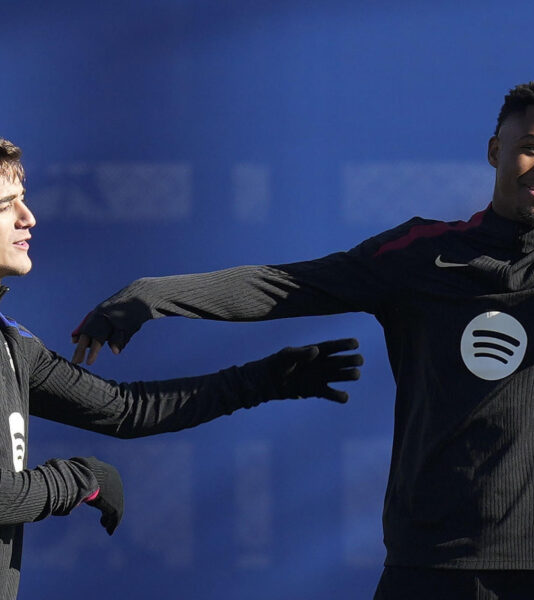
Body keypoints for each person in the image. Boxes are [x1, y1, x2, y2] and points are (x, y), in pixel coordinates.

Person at [73, 79, 534, 599]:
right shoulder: (422, 253)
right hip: (427, 561)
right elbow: (289, 285)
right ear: (495, 151)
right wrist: (154, 294)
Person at [0, 138, 363, 599]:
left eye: (23, 200)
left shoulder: (12, 341)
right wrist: (81, 479)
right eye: (6, 204)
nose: (27, 217)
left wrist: (264, 380)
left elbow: (124, 410)